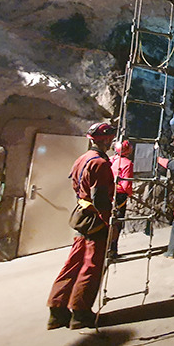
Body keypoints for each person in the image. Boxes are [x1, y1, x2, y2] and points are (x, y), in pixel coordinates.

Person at [47, 122, 116, 330]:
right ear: (104, 139)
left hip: (81, 217)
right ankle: (80, 312)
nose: (111, 141)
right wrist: (111, 226)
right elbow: (101, 200)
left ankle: (56, 311)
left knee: (73, 263)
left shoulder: (82, 159)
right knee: (91, 266)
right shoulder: (100, 164)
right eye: (110, 138)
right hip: (95, 220)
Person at [109, 139, 134, 259]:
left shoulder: (110, 160)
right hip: (119, 196)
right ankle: (112, 250)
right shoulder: (127, 163)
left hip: (108, 193)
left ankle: (105, 249)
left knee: (108, 221)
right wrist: (130, 194)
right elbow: (126, 184)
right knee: (117, 223)